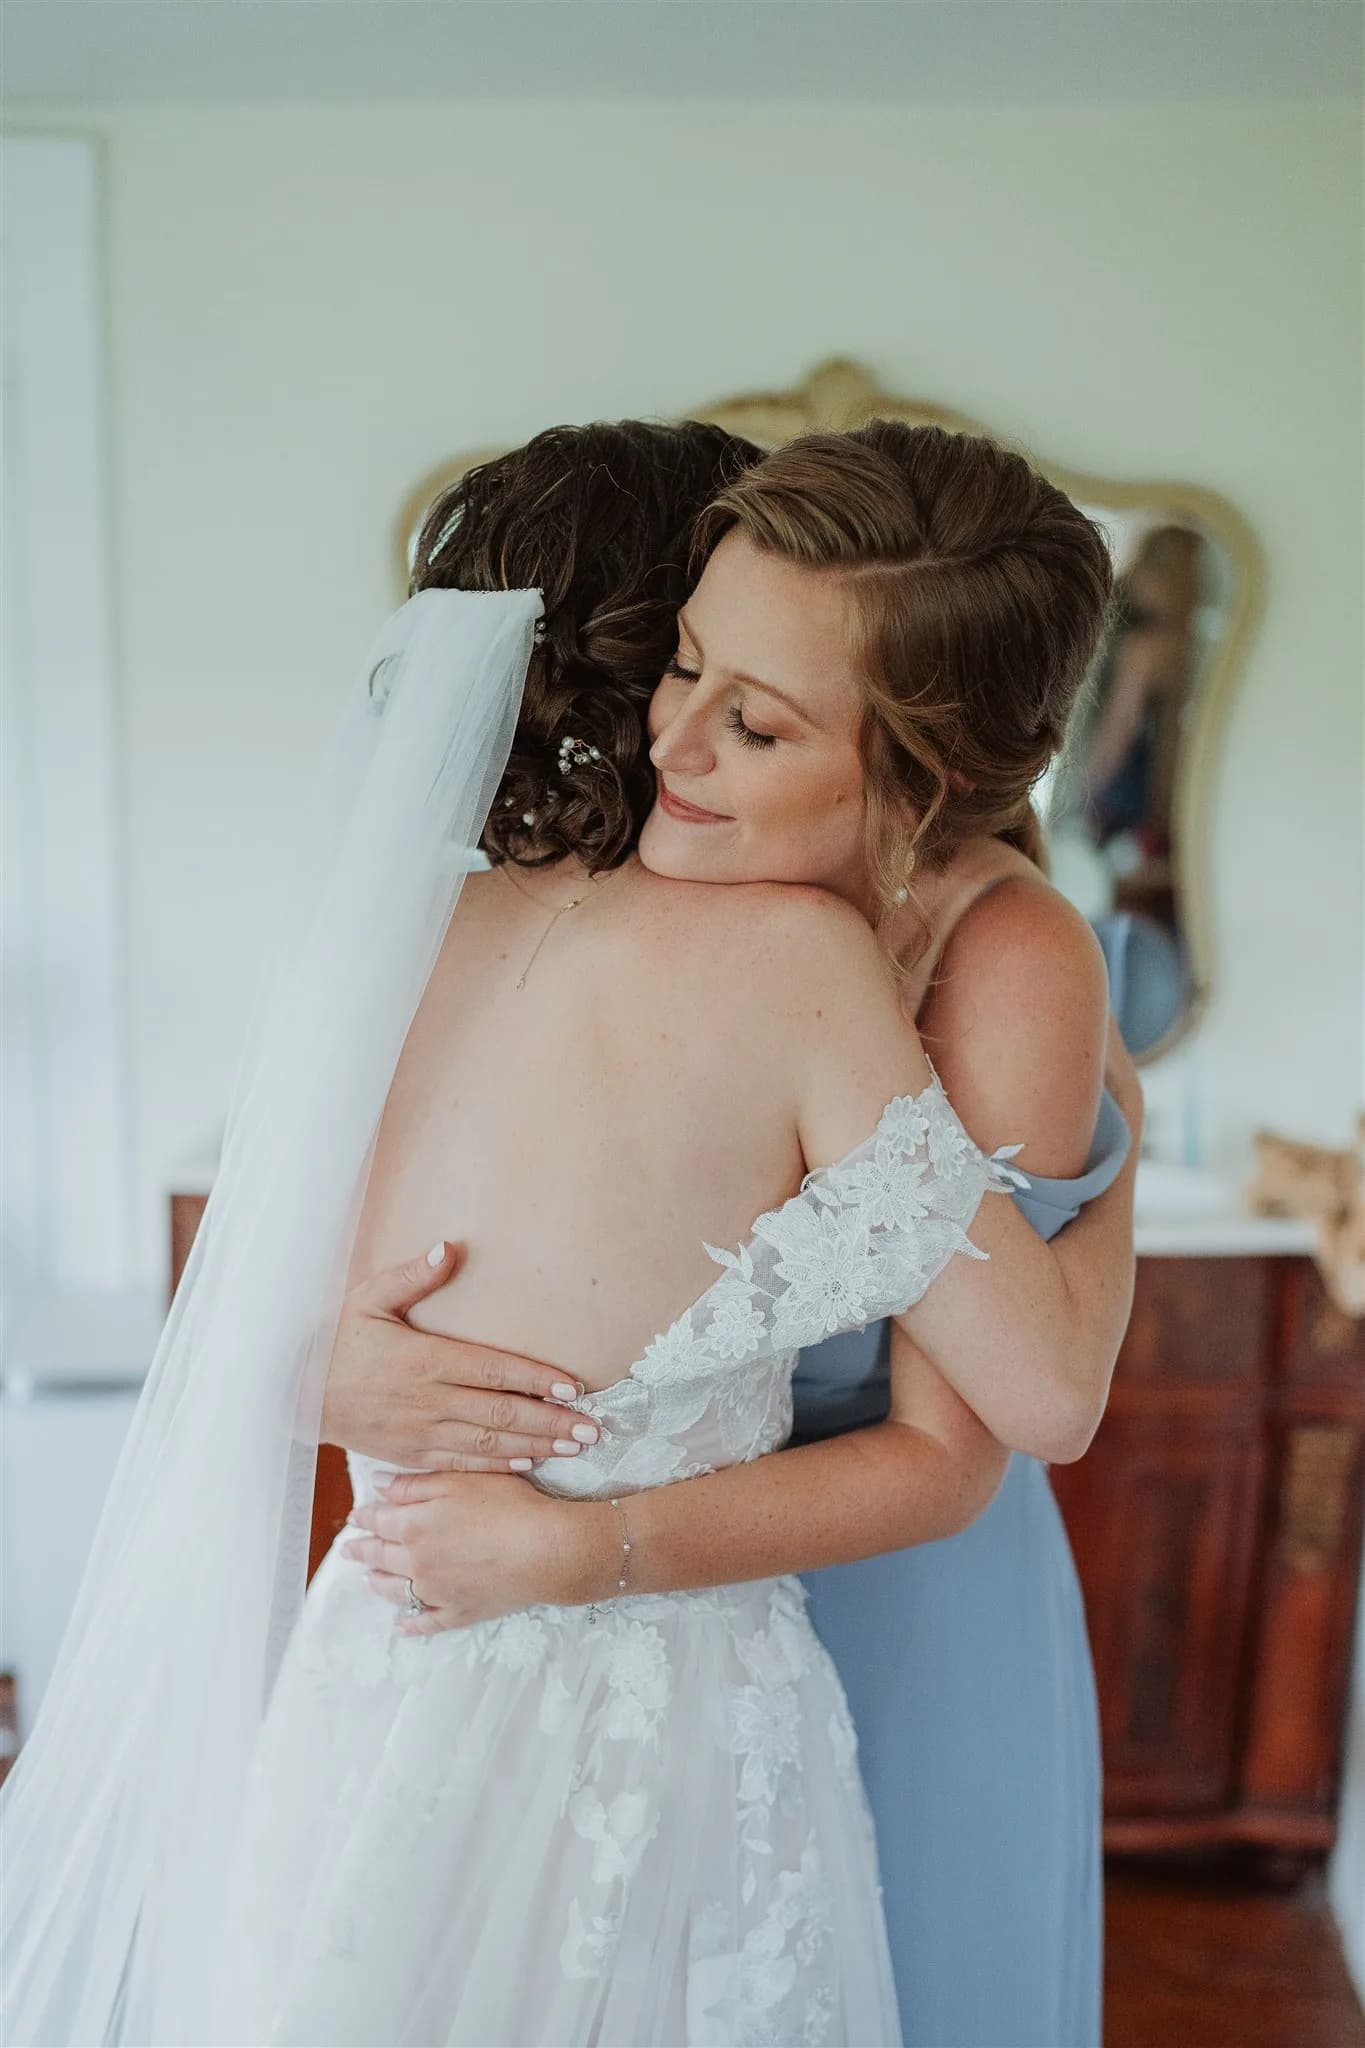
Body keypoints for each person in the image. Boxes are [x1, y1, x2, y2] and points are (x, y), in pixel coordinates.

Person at [329, 420, 1142, 2048]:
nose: (669, 745)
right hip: (570, 1632)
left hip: (891, 1597)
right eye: (681, 668)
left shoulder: (1006, 955)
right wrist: (337, 1370)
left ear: (931, 775)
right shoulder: (624, 916)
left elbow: (1017, 1417)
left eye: (753, 723)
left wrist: (1104, 1152)